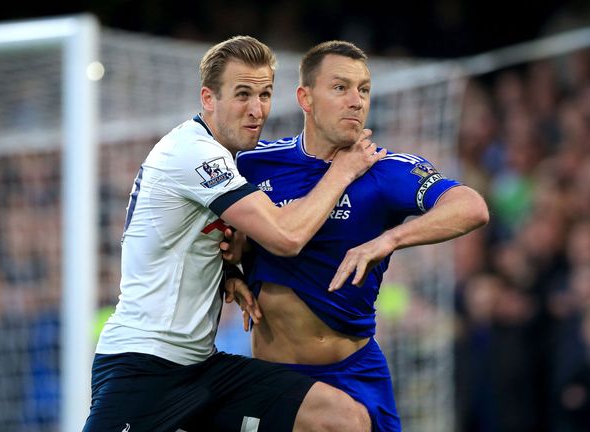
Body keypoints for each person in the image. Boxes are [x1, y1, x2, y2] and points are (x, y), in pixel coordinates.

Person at [83, 36, 385, 432]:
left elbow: (184, 237)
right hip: (144, 366)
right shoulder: (193, 153)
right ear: (209, 98)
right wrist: (342, 171)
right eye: (243, 94)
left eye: (264, 94)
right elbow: (286, 237)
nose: (256, 110)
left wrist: (229, 273)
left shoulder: (222, 157)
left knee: (341, 419)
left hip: (200, 368)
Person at [234, 40, 489, 431]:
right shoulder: (253, 162)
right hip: (274, 376)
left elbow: (471, 206)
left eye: (364, 90)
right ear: (305, 97)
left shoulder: (386, 171)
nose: (356, 100)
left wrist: (389, 239)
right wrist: (228, 273)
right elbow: (209, 230)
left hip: (355, 372)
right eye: (340, 88)